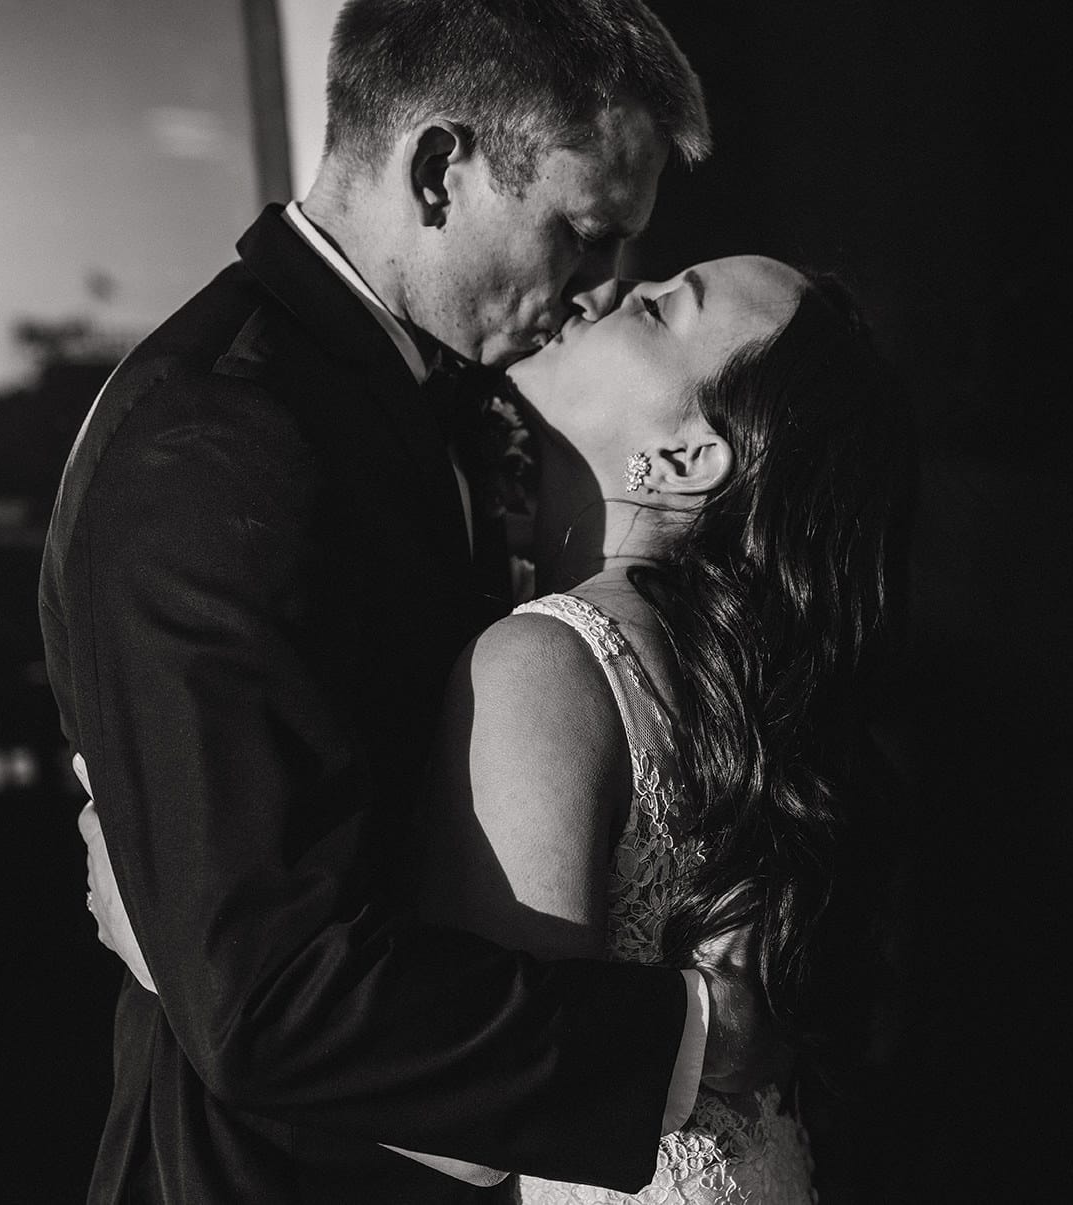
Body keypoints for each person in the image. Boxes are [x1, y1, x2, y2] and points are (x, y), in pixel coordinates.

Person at [39, 3, 769, 1201]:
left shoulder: (411, 389)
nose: (595, 290)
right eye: (581, 236)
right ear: (440, 168)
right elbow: (275, 1002)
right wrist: (694, 1035)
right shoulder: (222, 443)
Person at [85, 255, 915, 1201]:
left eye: (651, 308)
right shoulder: (728, 681)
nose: (600, 293)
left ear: (686, 457)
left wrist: (176, 946)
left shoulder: (552, 659)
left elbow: (470, 1131)